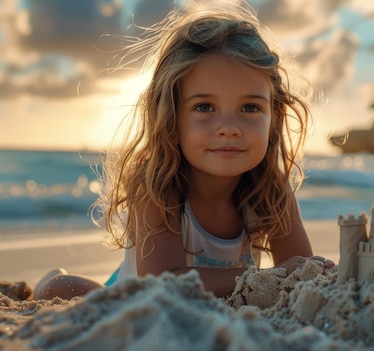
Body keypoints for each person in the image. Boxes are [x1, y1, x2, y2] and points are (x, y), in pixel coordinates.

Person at [34, 4, 332, 300]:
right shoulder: (158, 187)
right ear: (172, 119)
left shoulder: (271, 190)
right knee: (58, 290)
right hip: (132, 294)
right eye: (204, 107)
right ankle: (48, 277)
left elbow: (300, 272)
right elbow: (163, 283)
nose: (229, 127)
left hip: (216, 301)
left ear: (274, 118)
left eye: (250, 107)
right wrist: (272, 276)